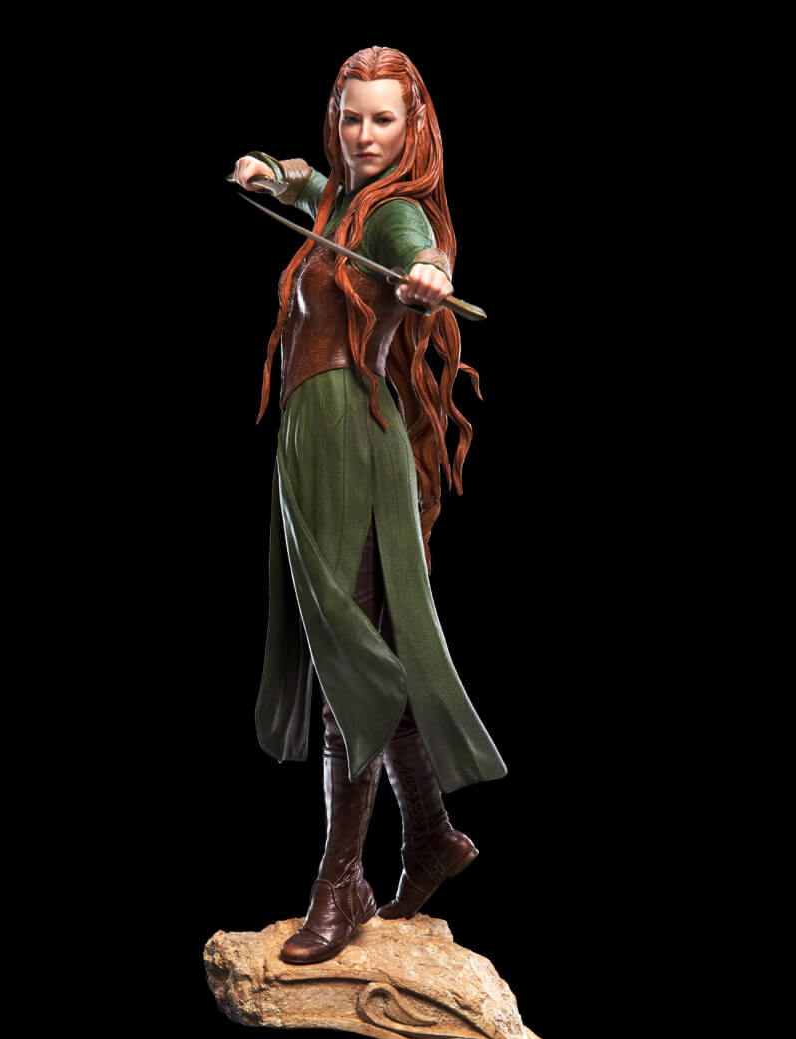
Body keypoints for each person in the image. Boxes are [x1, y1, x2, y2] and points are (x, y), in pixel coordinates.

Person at [232, 46, 505, 966]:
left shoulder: (393, 215)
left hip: (352, 444)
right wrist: (272, 173)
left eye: (383, 119)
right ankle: (429, 838)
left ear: (412, 124)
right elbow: (311, 189)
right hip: (313, 449)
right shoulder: (346, 199)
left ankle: (338, 883)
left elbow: (421, 249)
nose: (363, 135)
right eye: (351, 117)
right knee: (364, 658)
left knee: (350, 672)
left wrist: (429, 276)